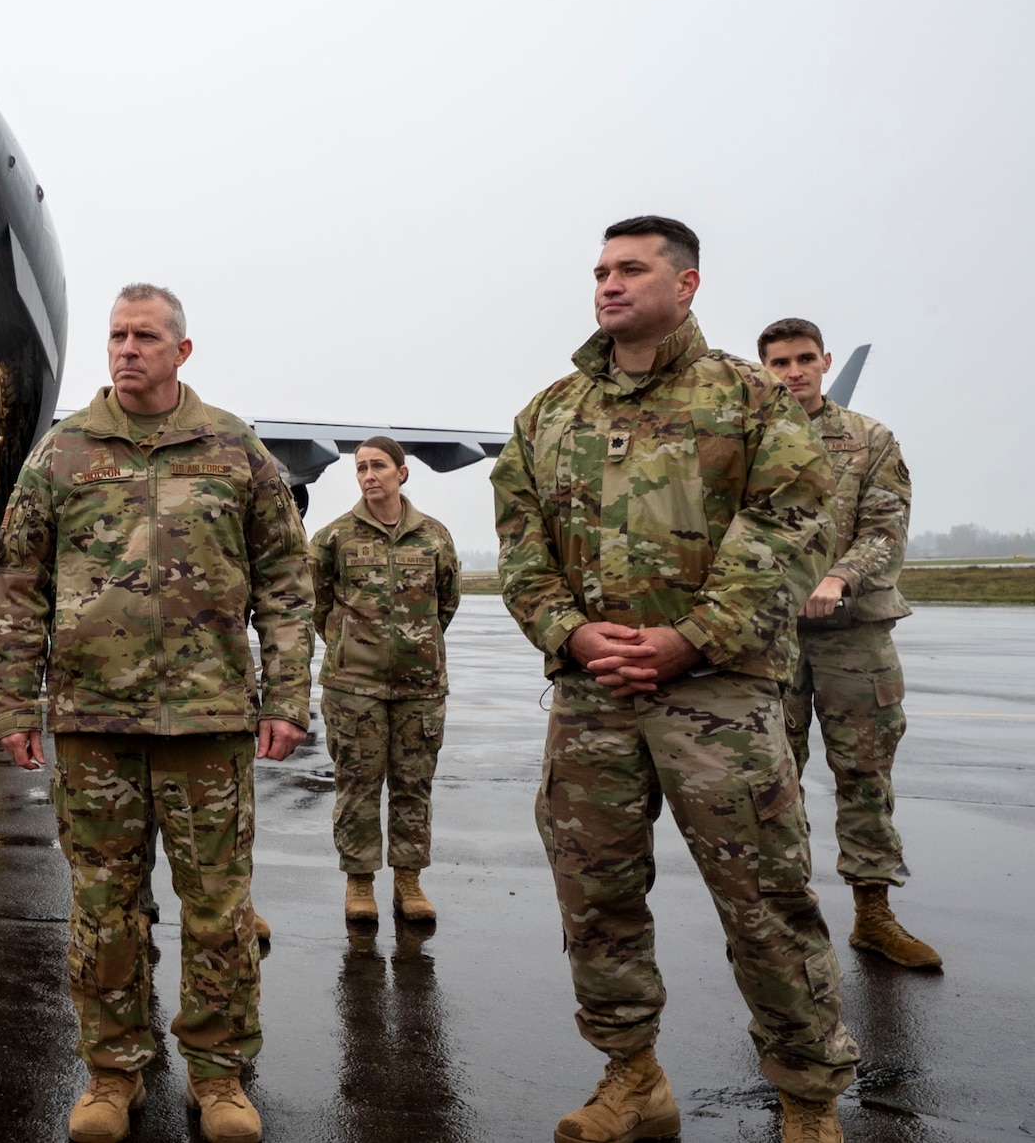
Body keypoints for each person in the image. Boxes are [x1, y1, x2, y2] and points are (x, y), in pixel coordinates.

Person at [492, 216, 858, 1143]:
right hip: (594, 699)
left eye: (631, 269)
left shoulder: (749, 399)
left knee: (766, 902)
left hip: (718, 696)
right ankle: (633, 1078)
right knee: (596, 898)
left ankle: (808, 1097)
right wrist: (571, 633)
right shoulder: (549, 414)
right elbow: (520, 545)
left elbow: (792, 525)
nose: (608, 285)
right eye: (600, 272)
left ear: (686, 284)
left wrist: (695, 637)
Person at [0, 283, 313, 1143]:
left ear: (182, 350)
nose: (126, 349)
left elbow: (286, 581)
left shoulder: (234, 449)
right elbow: (18, 587)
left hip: (209, 724)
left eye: (144, 336)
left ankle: (219, 1075)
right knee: (105, 910)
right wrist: (15, 702)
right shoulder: (62, 454)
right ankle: (111, 1071)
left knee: (218, 910)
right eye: (116, 336)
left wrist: (287, 696)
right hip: (94, 725)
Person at [759, 318, 939, 968]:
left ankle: (873, 915)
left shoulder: (870, 439)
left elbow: (885, 528)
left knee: (865, 775)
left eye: (805, 359)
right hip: (770, 637)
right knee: (769, 782)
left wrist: (839, 577)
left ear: (825, 361)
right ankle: (785, 923)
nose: (794, 372)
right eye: (780, 363)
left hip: (854, 634)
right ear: (763, 369)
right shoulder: (745, 442)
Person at [310, 437, 460, 926]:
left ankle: (409, 881)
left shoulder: (434, 536)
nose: (369, 475)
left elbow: (446, 601)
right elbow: (319, 605)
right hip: (354, 688)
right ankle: (359, 882)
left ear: (402, 473)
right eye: (360, 468)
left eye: (378, 466)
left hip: (420, 687)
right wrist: (352, 647)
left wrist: (414, 645)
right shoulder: (334, 537)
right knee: (357, 786)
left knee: (413, 785)